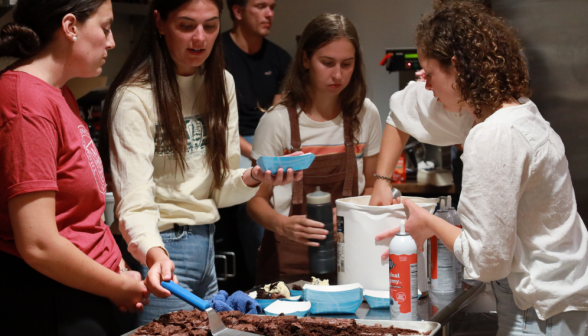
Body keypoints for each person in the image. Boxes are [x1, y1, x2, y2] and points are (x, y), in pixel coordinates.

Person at [371, 3, 588, 335]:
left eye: (429, 74)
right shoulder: (519, 112)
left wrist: (429, 222)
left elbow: (488, 260)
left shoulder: (493, 135)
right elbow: (405, 109)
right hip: (560, 298)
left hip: (539, 311)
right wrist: (381, 180)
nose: (425, 85)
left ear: (456, 67)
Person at [100, 0, 300, 325]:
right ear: (160, 23)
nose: (200, 38)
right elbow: (133, 202)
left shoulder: (222, 84)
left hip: (206, 246)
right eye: (186, 25)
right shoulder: (135, 96)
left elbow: (218, 187)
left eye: (209, 26)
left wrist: (255, 176)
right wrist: (155, 254)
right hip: (159, 248)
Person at [0, 0, 149, 335]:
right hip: (56, 300)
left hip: (90, 292)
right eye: (105, 27)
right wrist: (113, 285)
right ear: (70, 27)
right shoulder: (26, 101)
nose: (111, 42)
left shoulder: (58, 92)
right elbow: (38, 243)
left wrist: (120, 270)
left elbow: (81, 220)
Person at [247, 13, 382, 284]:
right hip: (289, 264)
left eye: (347, 64)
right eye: (327, 63)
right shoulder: (277, 121)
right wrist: (282, 225)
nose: (338, 74)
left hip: (351, 255)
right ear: (306, 60)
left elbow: (372, 186)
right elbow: (254, 201)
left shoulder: (365, 114)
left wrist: (349, 213)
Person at [222, 0, 291, 283]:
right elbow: (219, 126)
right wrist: (258, 155)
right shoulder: (217, 54)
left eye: (272, 7)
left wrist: (268, 154)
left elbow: (278, 119)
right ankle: (260, 278)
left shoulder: (279, 58)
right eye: (261, 6)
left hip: (266, 142)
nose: (269, 14)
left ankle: (279, 272)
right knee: (251, 188)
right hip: (229, 144)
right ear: (238, 11)